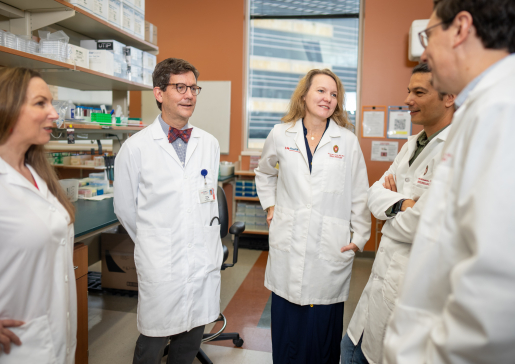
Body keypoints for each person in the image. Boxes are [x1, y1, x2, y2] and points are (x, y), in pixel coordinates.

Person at [383, 1, 515, 363]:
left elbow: (496, 283)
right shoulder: (483, 108)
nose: (423, 51)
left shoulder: (502, 110)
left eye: (427, 35)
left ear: (460, 28)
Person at [342, 63, 455, 364]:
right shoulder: (410, 146)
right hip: (378, 290)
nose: (408, 100)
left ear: (449, 97)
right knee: (351, 350)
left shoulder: (456, 151)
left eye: (419, 92)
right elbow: (373, 194)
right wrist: (404, 204)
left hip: (410, 297)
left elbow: (423, 223)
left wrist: (388, 211)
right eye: (408, 91)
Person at [255, 69, 371, 363]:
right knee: (287, 331)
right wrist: (271, 205)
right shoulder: (281, 134)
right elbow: (264, 172)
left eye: (333, 94)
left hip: (328, 247)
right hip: (289, 243)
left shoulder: (346, 141)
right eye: (321, 91)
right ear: (304, 95)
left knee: (321, 336)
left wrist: (359, 237)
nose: (327, 98)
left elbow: (359, 191)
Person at [114, 58, 222, 364]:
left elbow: (207, 199)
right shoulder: (135, 147)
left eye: (193, 88)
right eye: (180, 87)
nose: (189, 95)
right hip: (161, 259)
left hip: (201, 256)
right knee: (152, 339)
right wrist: (155, 240)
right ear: (159, 93)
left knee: (190, 341)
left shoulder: (209, 144)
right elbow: (124, 209)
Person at [0, 67, 77, 363]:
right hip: (18, 345)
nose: (54, 114)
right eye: (40, 103)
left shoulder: (36, 173)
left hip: (56, 335)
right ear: (7, 108)